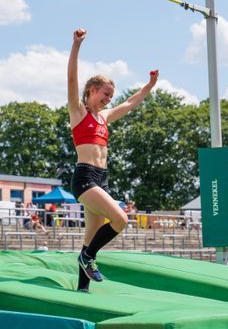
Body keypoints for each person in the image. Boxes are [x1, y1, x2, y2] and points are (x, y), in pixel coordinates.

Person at [68, 28, 158, 292]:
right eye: (105, 94)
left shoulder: (104, 117)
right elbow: (72, 78)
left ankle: (82, 288)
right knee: (120, 219)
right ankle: (86, 258)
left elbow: (130, 103)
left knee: (90, 238)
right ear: (92, 90)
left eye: (110, 96)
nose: (108, 99)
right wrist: (76, 46)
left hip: (102, 179)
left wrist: (149, 86)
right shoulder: (78, 111)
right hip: (85, 178)